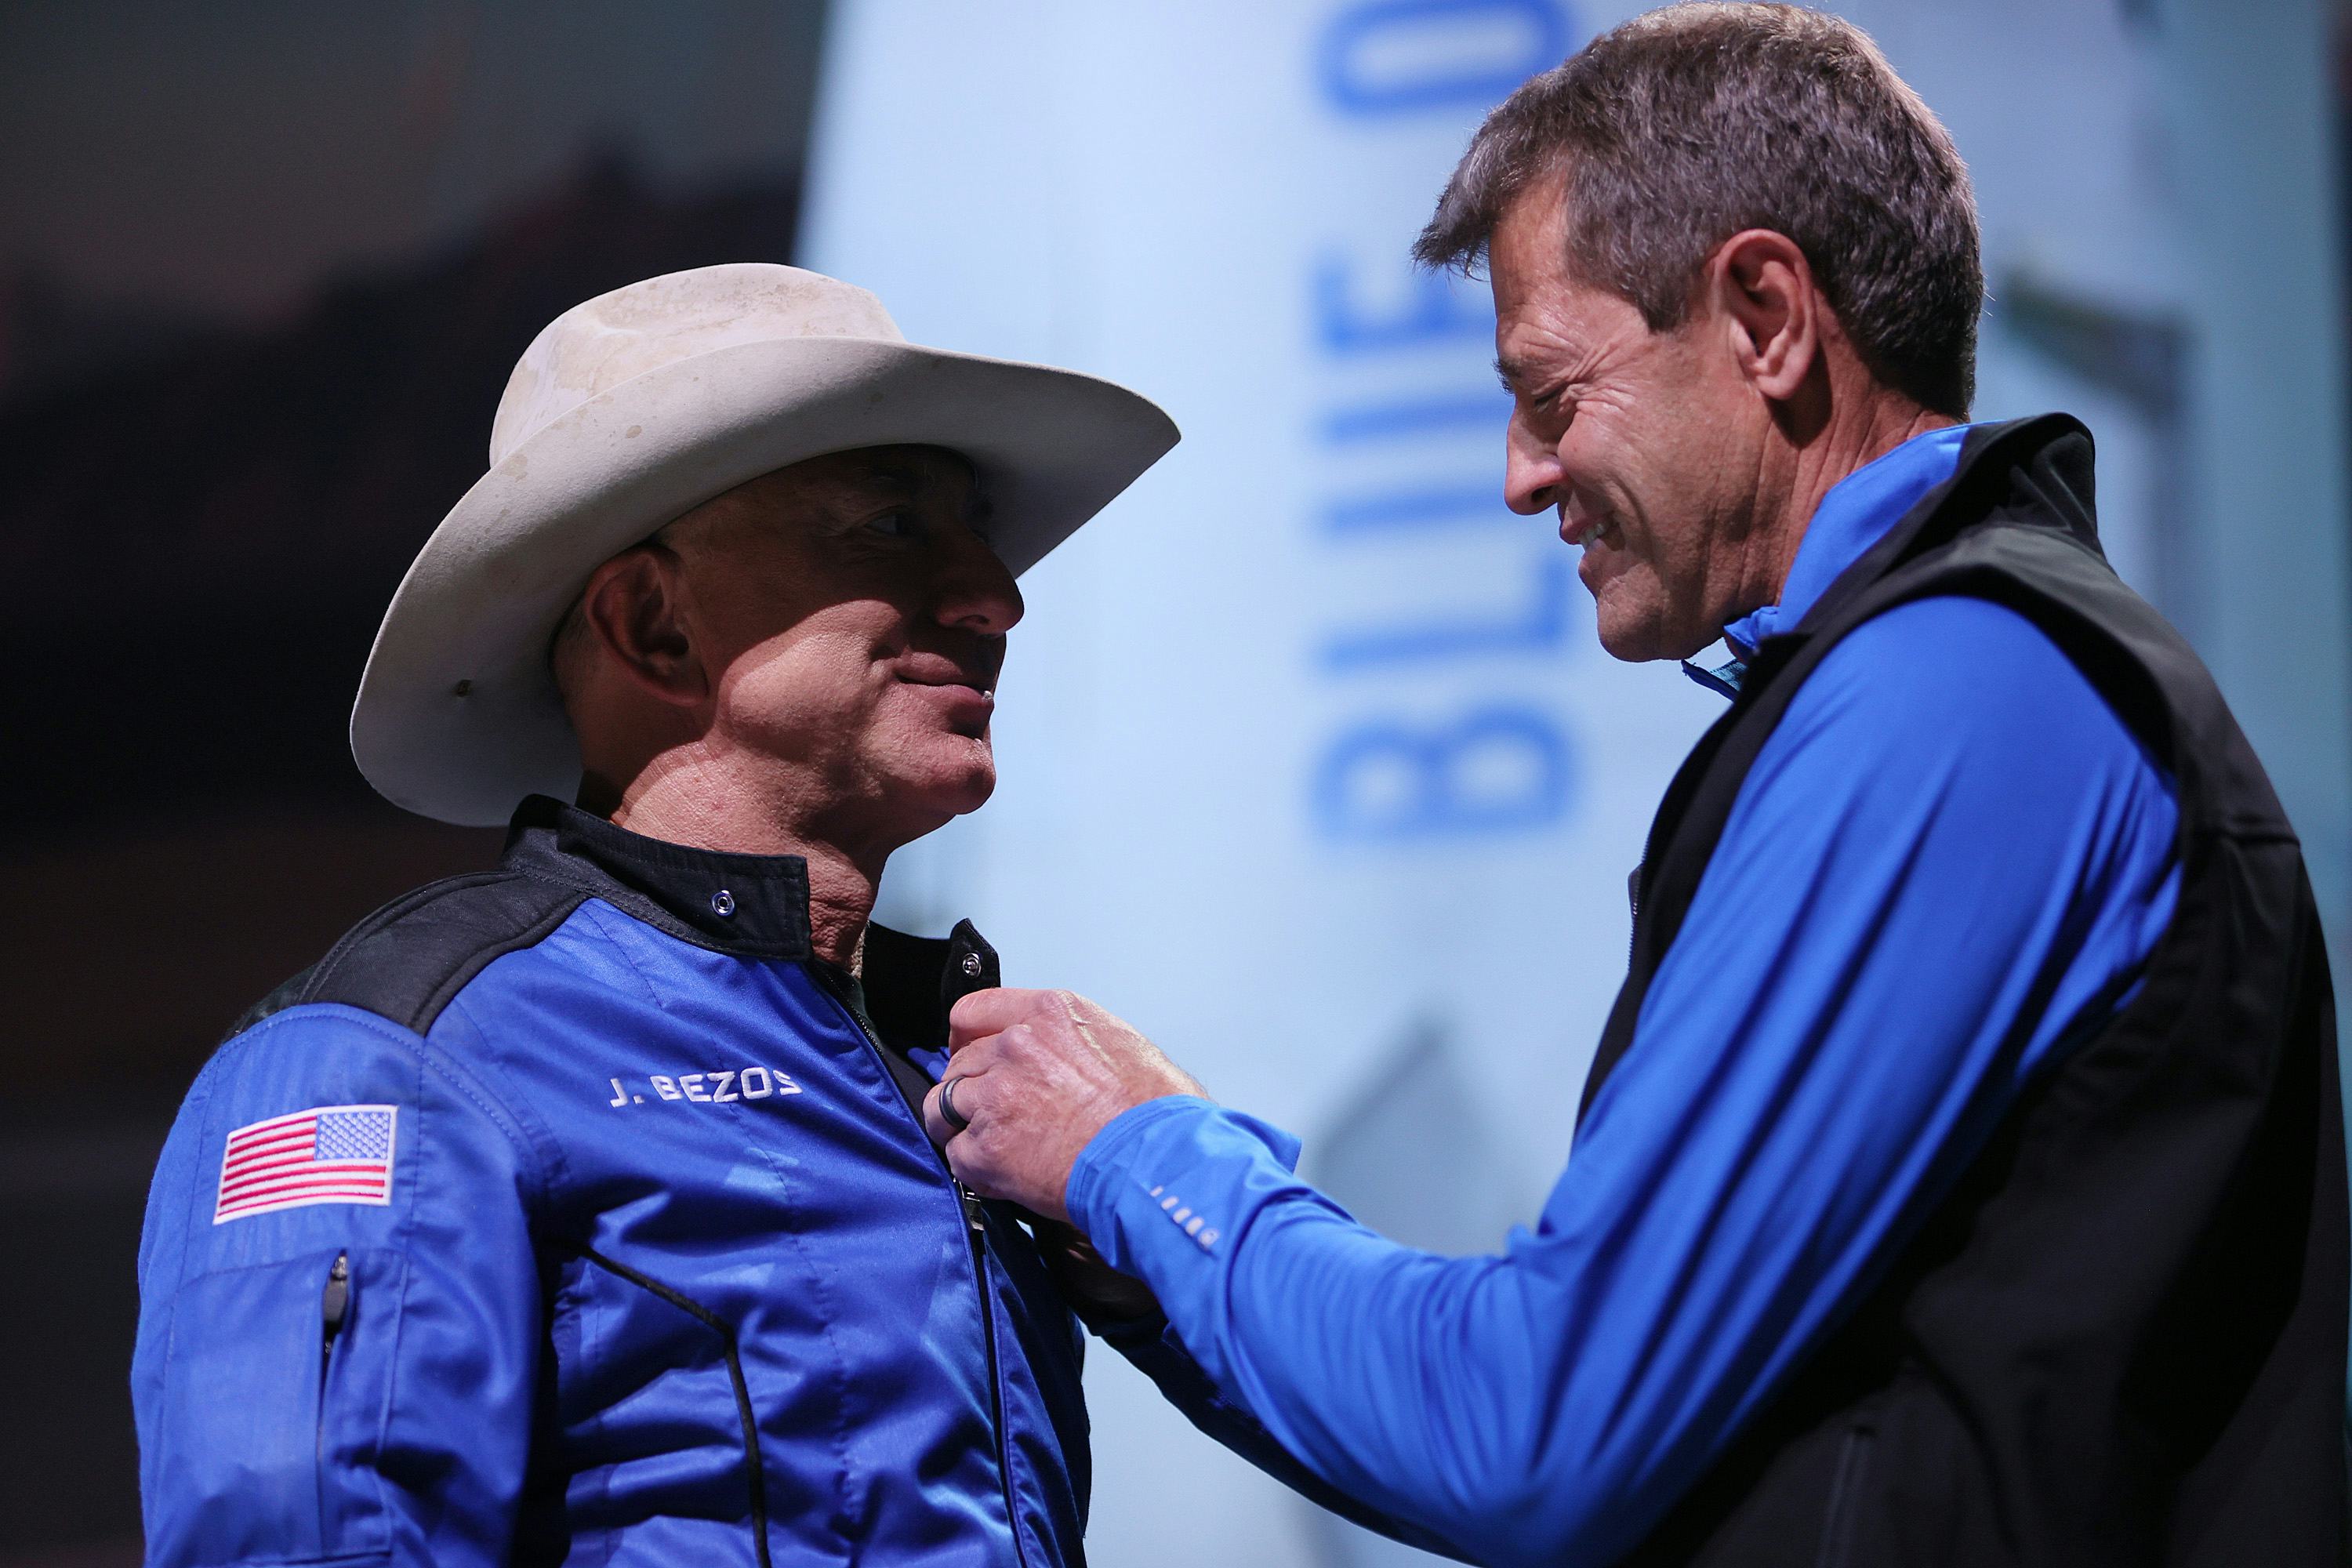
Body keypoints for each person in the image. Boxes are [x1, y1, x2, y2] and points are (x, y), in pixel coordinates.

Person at [921, 8, 2350, 1566]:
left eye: (1550, 391)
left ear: (1766, 317)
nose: (1522, 475)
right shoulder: (1935, 682)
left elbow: (1539, 1437)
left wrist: (1144, 1154)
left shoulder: (1955, 696)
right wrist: (1127, 1252)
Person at [130, 263, 1258, 1566]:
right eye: (891, 528)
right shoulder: (389, 1062)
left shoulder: (949, 1069)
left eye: (977, 532)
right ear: (653, 625)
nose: (994, 596)